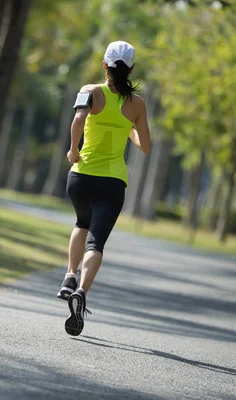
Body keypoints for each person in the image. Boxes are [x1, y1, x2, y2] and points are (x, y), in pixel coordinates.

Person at [57, 41, 151, 336]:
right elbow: (145, 146)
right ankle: (82, 291)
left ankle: (69, 275)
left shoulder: (90, 91)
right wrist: (131, 128)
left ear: (104, 65)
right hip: (113, 182)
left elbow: (78, 119)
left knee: (80, 223)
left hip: (81, 176)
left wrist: (73, 150)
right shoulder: (137, 104)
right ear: (131, 69)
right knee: (95, 244)